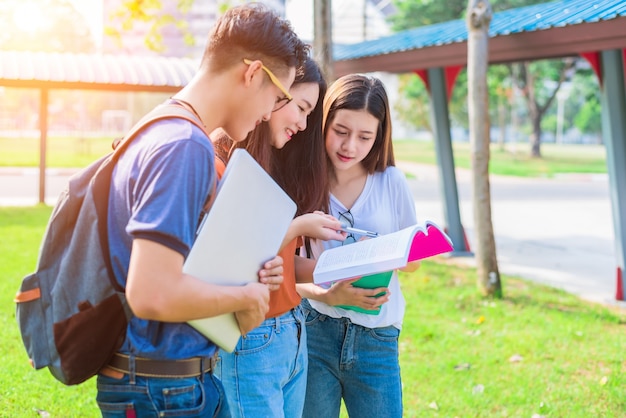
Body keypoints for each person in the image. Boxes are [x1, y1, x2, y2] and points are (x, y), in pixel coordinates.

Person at [95, 4, 309, 417]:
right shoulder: (185, 146)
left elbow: (177, 268)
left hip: (165, 382)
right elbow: (151, 293)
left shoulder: (165, 126)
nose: (271, 112)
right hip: (164, 389)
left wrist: (242, 277)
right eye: (279, 95)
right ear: (251, 74)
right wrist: (245, 295)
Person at [211, 56, 346, 418]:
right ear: (274, 92)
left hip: (292, 328)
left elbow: (281, 263)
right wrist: (299, 226)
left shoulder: (276, 161)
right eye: (300, 108)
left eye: (309, 115)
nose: (303, 124)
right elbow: (227, 258)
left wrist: (337, 268)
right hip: (250, 335)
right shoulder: (221, 155)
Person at [296, 74, 421, 418]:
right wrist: (327, 296)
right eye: (341, 131)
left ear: (379, 137)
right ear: (323, 122)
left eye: (365, 137)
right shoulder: (305, 182)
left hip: (376, 338)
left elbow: (412, 263)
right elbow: (288, 265)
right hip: (316, 329)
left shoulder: (391, 182)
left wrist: (388, 250)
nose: (350, 146)